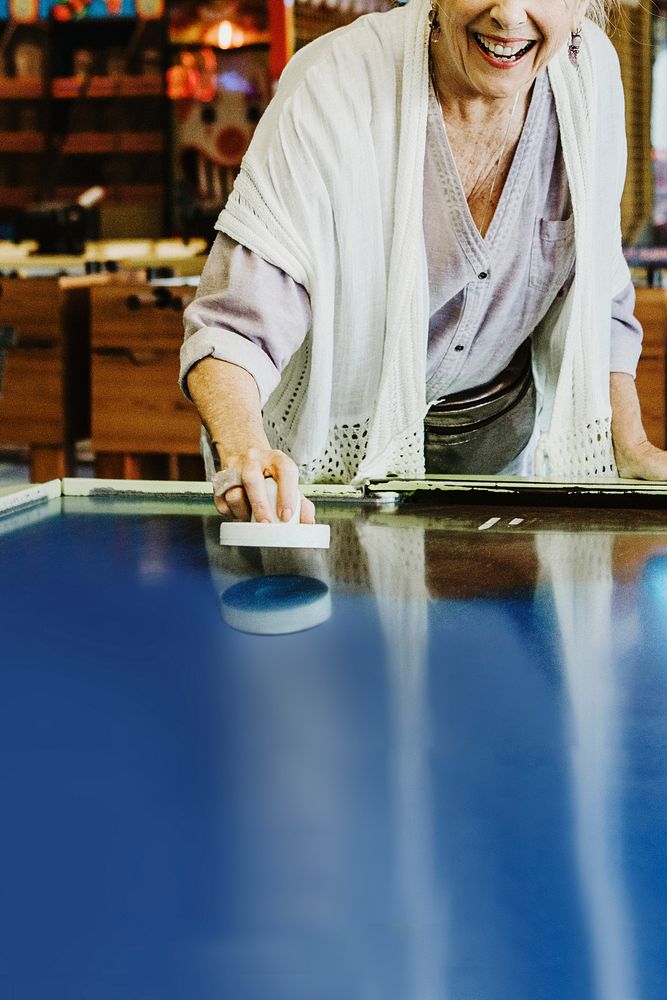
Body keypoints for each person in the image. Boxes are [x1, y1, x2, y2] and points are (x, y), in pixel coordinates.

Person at [181, 0, 666, 524]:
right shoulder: (337, 87)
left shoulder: (586, 75)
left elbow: (598, 288)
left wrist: (631, 444)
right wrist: (245, 449)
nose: (508, 14)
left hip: (502, 479)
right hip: (315, 491)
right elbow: (234, 329)